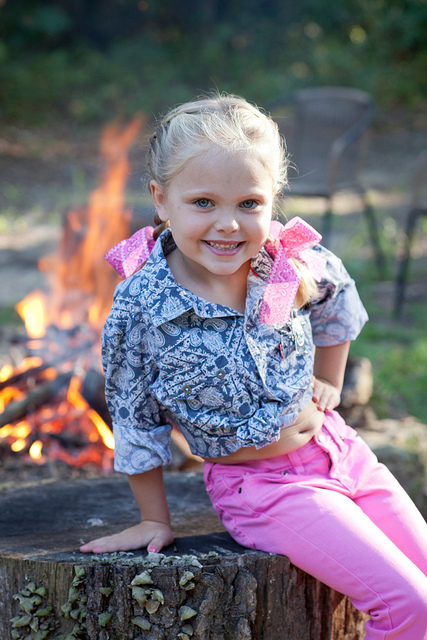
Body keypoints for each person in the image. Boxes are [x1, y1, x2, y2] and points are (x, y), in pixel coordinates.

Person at [80, 94, 427, 638]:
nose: (228, 225)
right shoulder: (142, 306)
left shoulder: (283, 261)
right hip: (265, 490)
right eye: (202, 203)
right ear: (161, 199)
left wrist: (330, 383)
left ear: (272, 201)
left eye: (248, 203)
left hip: (343, 454)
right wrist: (155, 519)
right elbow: (134, 414)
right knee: (408, 607)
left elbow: (337, 294)